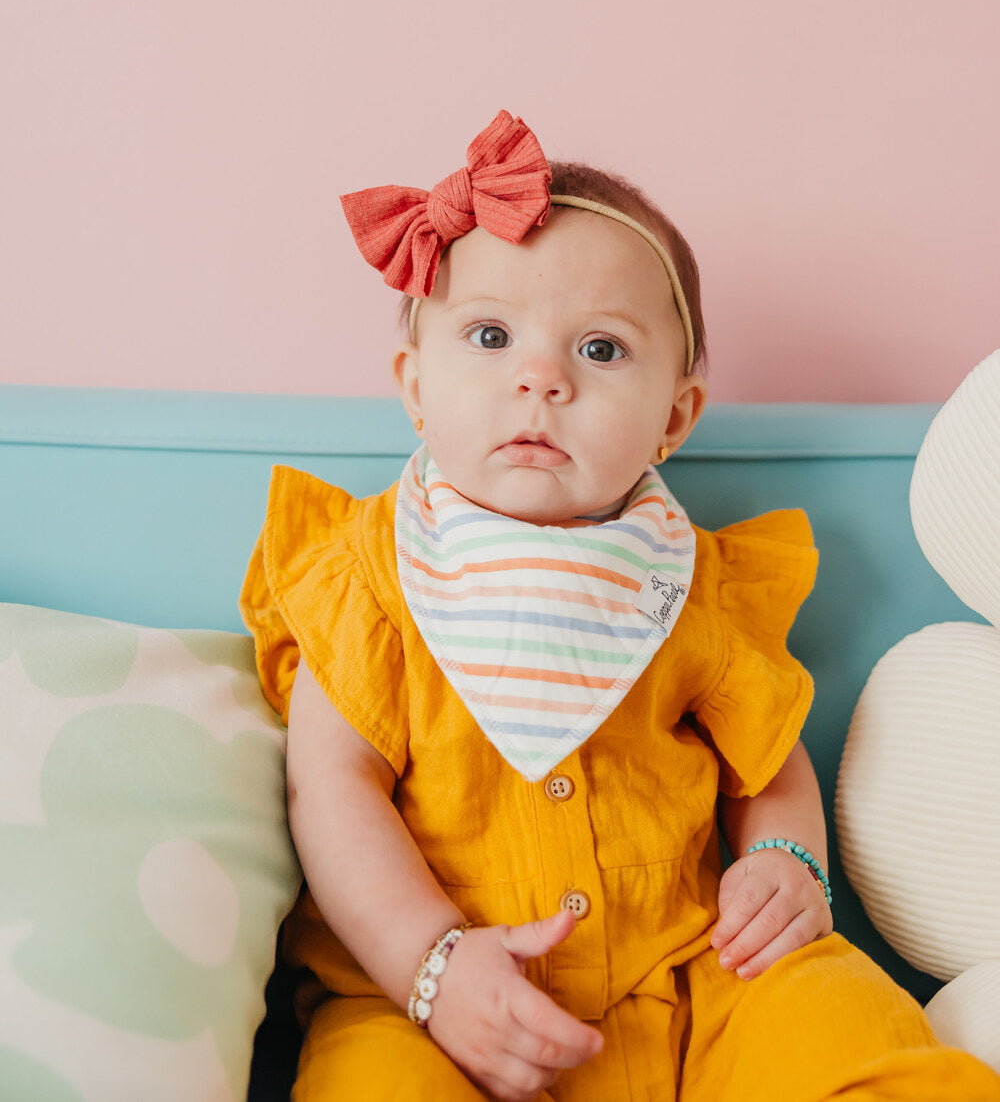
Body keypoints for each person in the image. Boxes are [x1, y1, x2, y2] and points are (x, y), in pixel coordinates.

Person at [240, 112, 1000, 1102]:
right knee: (373, 1083)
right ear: (415, 387)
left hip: (690, 975)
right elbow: (331, 788)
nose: (540, 377)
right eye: (489, 336)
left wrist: (784, 862)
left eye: (600, 349)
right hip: (430, 1005)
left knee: (841, 1019)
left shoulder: (690, 585)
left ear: (674, 416)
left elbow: (767, 763)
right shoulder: (368, 577)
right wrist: (429, 965)